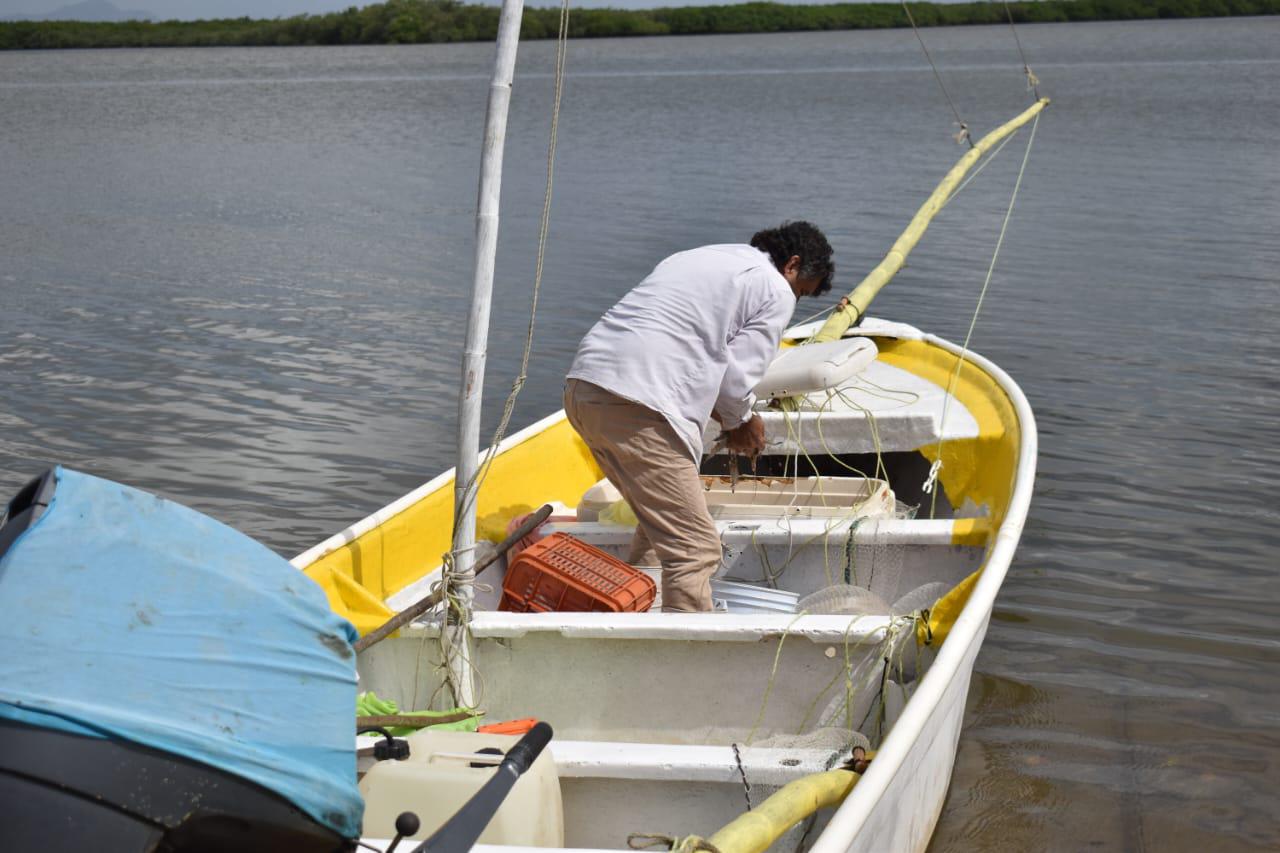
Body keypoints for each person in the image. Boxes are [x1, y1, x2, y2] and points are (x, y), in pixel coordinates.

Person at [564, 221, 835, 612]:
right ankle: (682, 657)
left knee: (661, 529)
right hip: (640, 404)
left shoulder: (700, 256)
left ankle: (635, 617)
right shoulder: (775, 287)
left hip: (584, 390)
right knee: (695, 549)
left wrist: (730, 416)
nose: (796, 299)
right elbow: (734, 382)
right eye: (802, 291)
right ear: (792, 265)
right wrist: (742, 423)